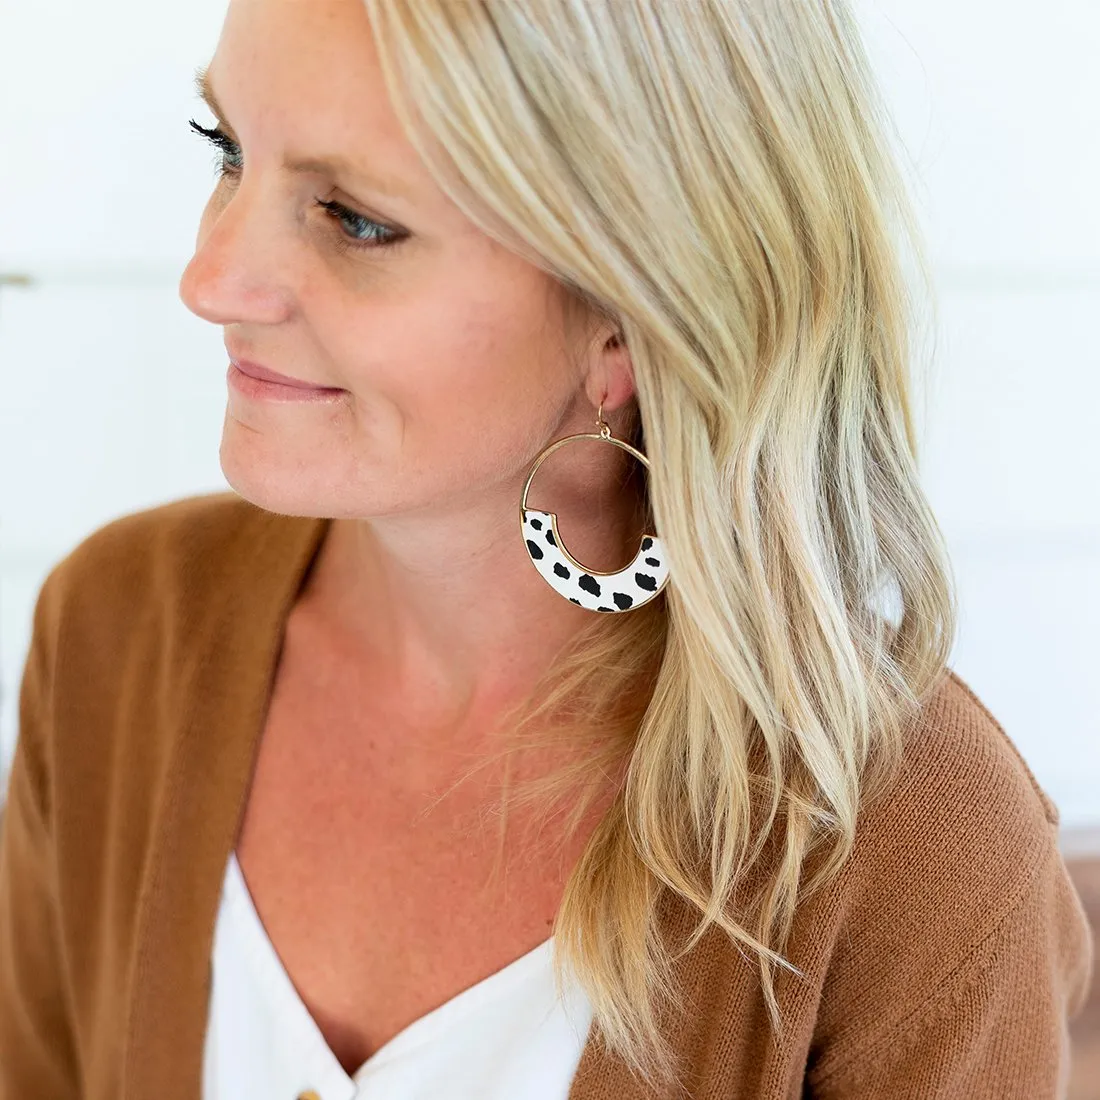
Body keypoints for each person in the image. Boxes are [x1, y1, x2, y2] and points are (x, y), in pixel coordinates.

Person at [0, 0, 1092, 1096]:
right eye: (227, 150)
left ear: (628, 320)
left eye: (354, 218)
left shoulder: (914, 849)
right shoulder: (120, 626)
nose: (209, 280)